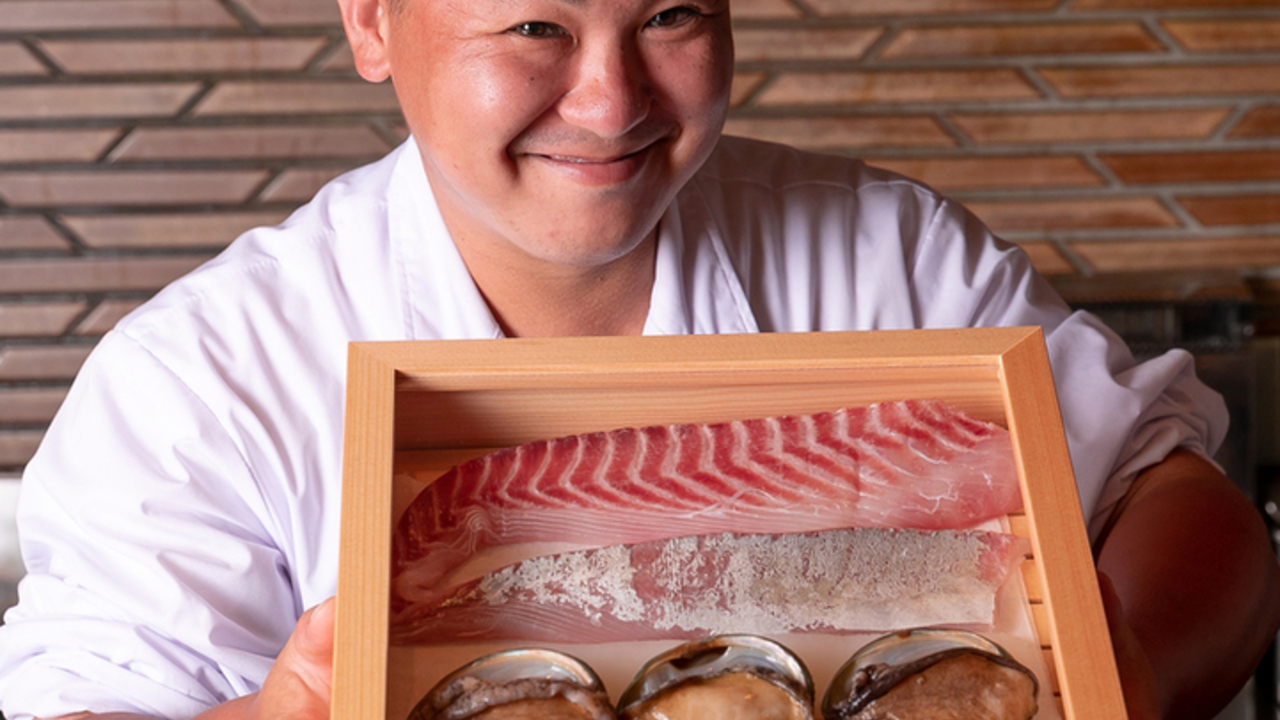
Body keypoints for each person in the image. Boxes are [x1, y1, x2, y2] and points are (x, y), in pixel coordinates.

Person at [1, 0, 1277, 718]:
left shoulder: (888, 254)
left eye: (668, 13)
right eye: (534, 29)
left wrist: (1124, 674)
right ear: (372, 21)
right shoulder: (201, 376)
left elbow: (1175, 502)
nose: (611, 104)